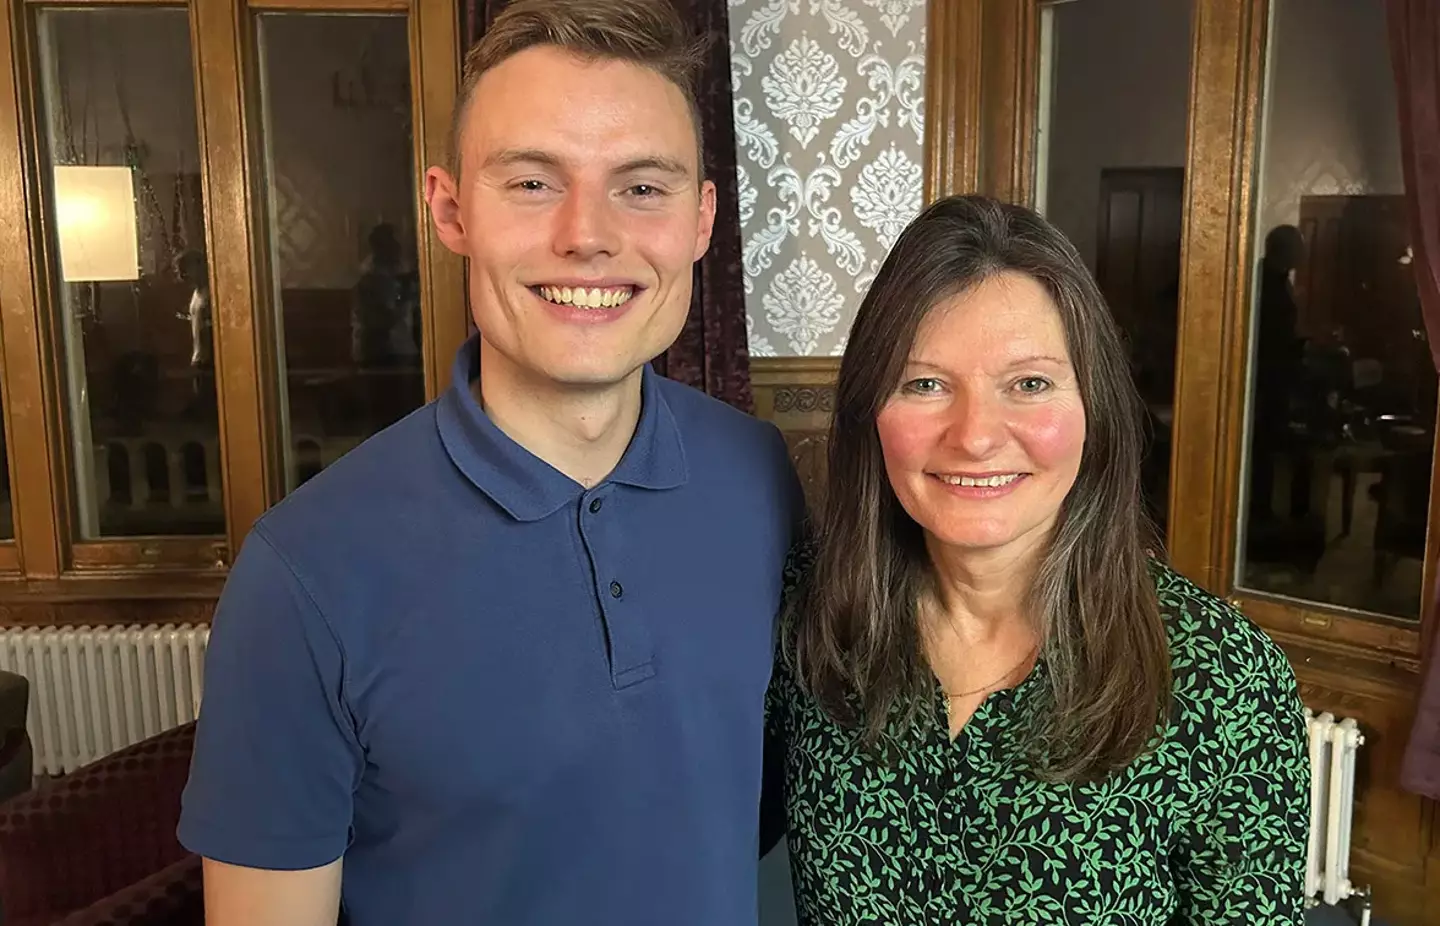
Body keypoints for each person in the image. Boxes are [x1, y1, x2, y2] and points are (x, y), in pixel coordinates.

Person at [178, 2, 804, 924]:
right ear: (450, 209)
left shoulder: (760, 477)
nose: (587, 234)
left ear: (702, 220)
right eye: (533, 183)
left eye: (642, 187)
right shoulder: (302, 574)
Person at [765, 195, 1309, 924]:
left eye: (1029, 384)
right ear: (873, 415)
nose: (976, 436)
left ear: (1094, 409)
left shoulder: (1224, 680)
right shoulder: (808, 616)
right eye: (925, 383)